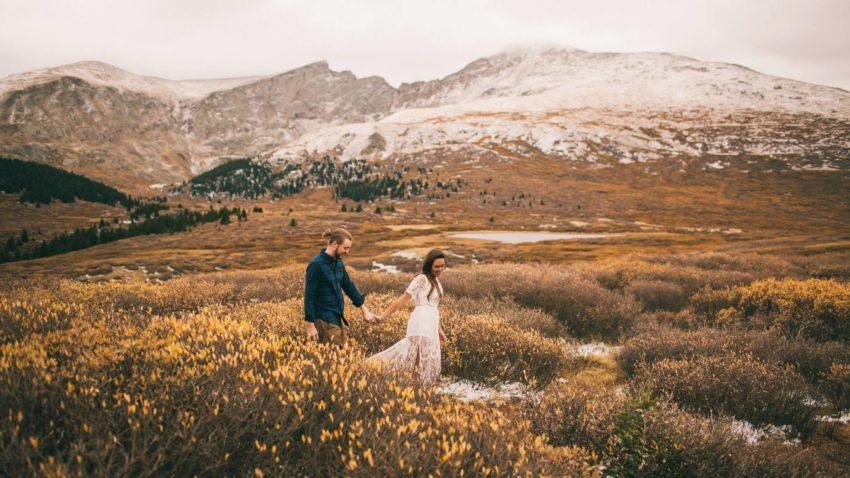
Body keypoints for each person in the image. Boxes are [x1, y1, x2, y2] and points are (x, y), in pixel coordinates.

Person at [366, 249, 448, 385]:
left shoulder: (436, 281)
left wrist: (439, 330)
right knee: (417, 361)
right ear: (429, 265)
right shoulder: (421, 279)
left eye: (442, 266)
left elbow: (434, 307)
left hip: (431, 324)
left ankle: (418, 390)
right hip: (421, 322)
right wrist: (383, 317)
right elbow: (402, 300)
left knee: (425, 361)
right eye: (437, 266)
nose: (440, 269)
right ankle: (411, 390)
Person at [304, 228, 377, 347]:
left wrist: (365, 311)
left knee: (336, 359)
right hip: (323, 320)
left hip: (337, 318)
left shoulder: (339, 263)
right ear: (334, 244)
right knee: (339, 357)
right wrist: (310, 326)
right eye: (345, 248)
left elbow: (349, 287)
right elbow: (309, 297)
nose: (347, 252)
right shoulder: (316, 265)